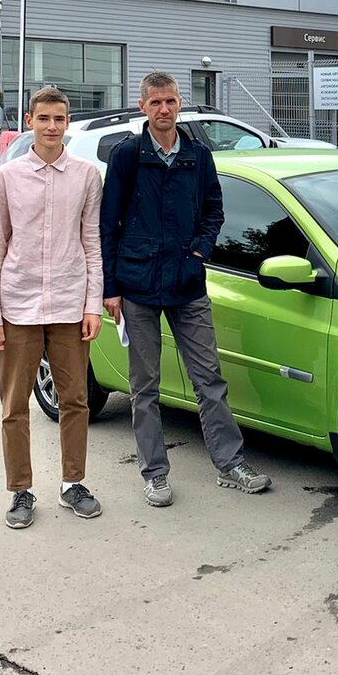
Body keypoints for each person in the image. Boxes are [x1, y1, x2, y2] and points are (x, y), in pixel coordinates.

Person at [100, 72, 271, 506]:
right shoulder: (127, 156)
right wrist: (110, 287)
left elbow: (214, 211)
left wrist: (199, 252)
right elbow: (108, 225)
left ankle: (230, 464)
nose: (164, 109)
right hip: (138, 285)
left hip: (187, 284)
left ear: (180, 104)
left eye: (171, 101)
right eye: (156, 102)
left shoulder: (198, 155)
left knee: (209, 378)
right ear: (143, 106)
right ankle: (155, 474)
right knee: (145, 387)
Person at [0, 86, 104, 529]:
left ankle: (73, 484)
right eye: (44, 118)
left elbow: (92, 243)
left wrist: (92, 305)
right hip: (18, 305)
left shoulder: (87, 176)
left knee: (75, 400)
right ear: (29, 121)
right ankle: (20, 490)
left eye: (59, 119)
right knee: (15, 405)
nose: (52, 127)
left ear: (68, 123)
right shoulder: (8, 177)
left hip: (70, 304)